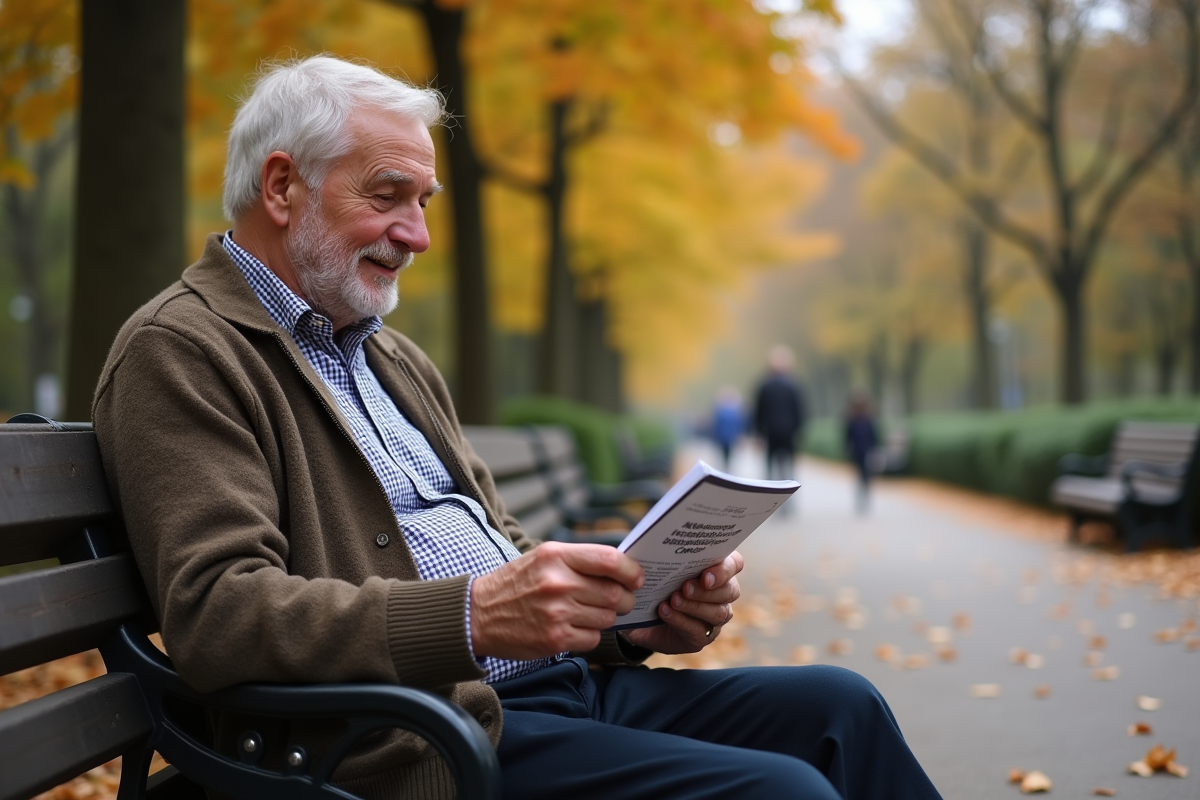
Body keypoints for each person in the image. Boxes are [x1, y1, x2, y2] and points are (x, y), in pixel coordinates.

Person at [91, 56, 942, 800]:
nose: (417, 235)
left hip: (549, 694)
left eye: (423, 202)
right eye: (388, 197)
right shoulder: (184, 351)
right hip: (410, 739)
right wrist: (469, 617)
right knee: (780, 790)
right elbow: (219, 615)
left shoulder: (393, 360)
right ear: (281, 187)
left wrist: (629, 621)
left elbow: (500, 557)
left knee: (842, 707)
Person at [754, 345, 807, 482]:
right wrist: (800, 430)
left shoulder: (764, 385)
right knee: (788, 464)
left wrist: (758, 433)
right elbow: (799, 410)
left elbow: (758, 412)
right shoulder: (793, 385)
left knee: (770, 464)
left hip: (770, 431)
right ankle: (788, 490)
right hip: (789, 431)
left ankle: (771, 492)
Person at [844, 391, 880, 514]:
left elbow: (874, 436)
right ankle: (862, 500)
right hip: (859, 452)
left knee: (864, 476)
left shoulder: (866, 418)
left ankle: (864, 500)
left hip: (865, 451)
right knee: (862, 476)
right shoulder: (853, 419)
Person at [710, 385, 744, 470]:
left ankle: (726, 467)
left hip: (726, 437)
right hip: (726, 437)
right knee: (726, 454)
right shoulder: (733, 411)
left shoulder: (722, 410)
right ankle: (726, 467)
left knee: (727, 454)